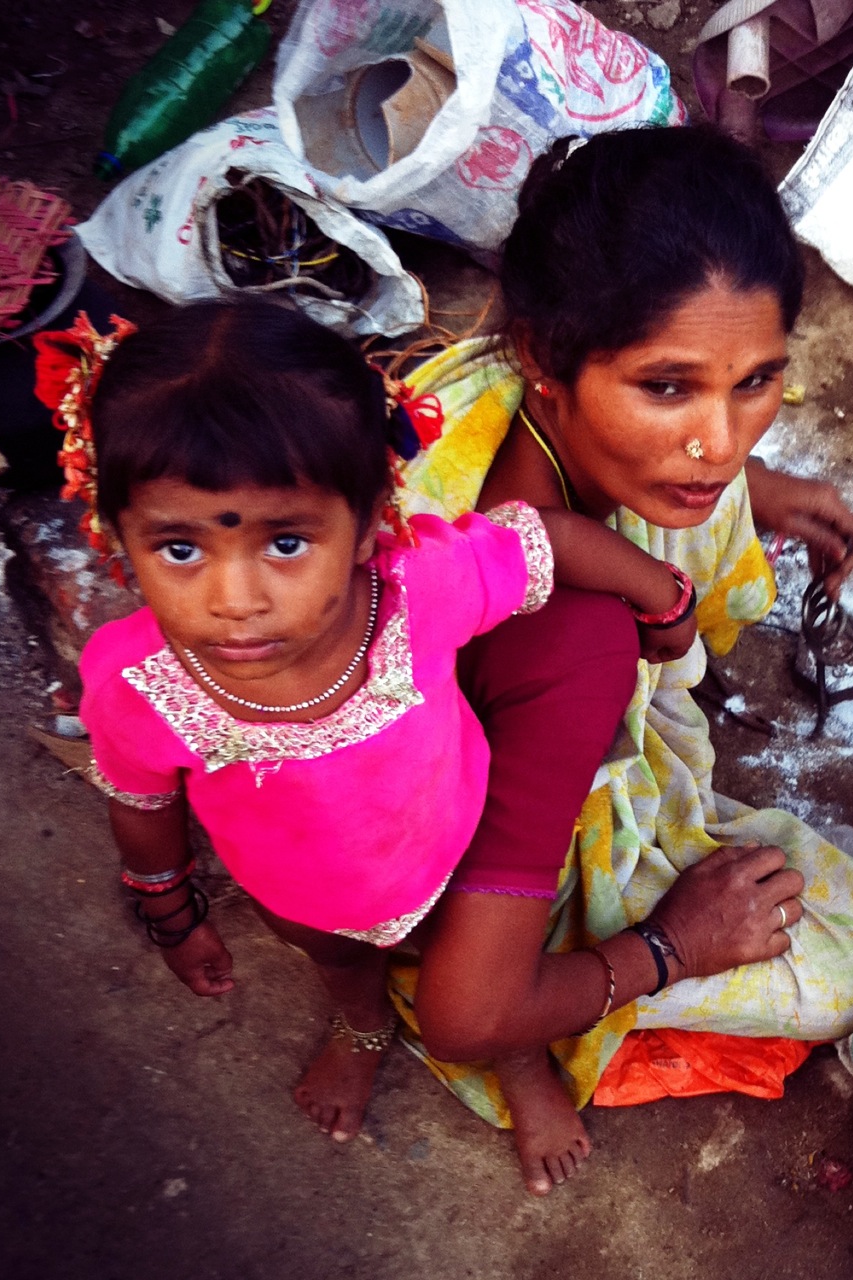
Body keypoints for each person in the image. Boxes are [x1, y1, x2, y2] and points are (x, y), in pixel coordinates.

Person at [50, 298, 704, 1167]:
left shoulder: (418, 588)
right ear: (117, 536)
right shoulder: (137, 684)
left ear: (365, 525)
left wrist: (666, 599)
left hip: (459, 848)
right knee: (339, 963)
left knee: (485, 961)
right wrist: (171, 912)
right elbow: (141, 803)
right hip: (296, 897)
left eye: (287, 543)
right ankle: (362, 1026)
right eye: (179, 549)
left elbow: (542, 540)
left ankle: (517, 1051)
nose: (234, 600)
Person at [388, 125, 853, 1195]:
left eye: (755, 380)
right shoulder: (551, 641)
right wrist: (672, 946)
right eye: (667, 387)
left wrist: (765, 494)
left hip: (545, 721)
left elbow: (702, 454)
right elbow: (464, 1011)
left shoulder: (490, 409)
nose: (720, 444)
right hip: (466, 900)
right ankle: (538, 1051)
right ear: (543, 358)